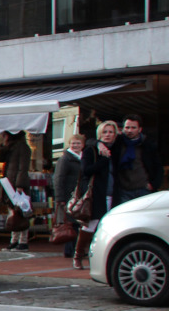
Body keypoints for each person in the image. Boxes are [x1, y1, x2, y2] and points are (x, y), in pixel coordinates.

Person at [74, 120, 120, 269]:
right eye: (105, 132)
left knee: (110, 228)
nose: (107, 135)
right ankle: (78, 255)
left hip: (114, 194)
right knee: (90, 225)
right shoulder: (91, 150)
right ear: (100, 133)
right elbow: (86, 171)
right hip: (97, 194)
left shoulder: (118, 149)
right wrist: (103, 159)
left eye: (111, 132)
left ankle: (105, 258)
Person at [112, 113, 162, 206]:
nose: (129, 130)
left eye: (133, 128)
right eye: (127, 127)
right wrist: (99, 144)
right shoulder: (117, 143)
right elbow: (94, 141)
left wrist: (154, 184)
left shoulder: (148, 144)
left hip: (143, 189)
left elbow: (158, 166)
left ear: (140, 129)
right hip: (123, 190)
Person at [52, 133, 85, 260]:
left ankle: (77, 249)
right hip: (68, 196)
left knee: (78, 222)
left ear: (82, 145)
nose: (75, 145)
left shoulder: (82, 158)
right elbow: (58, 179)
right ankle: (70, 250)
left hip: (79, 195)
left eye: (78, 143)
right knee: (70, 224)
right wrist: (60, 198)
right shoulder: (65, 159)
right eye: (73, 143)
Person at [0, 131, 32, 251]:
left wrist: (20, 184)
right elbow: (0, 159)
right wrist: (3, 146)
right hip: (10, 183)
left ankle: (22, 241)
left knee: (20, 212)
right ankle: (14, 240)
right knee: (13, 212)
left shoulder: (22, 148)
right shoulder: (10, 148)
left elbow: (23, 167)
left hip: (16, 184)